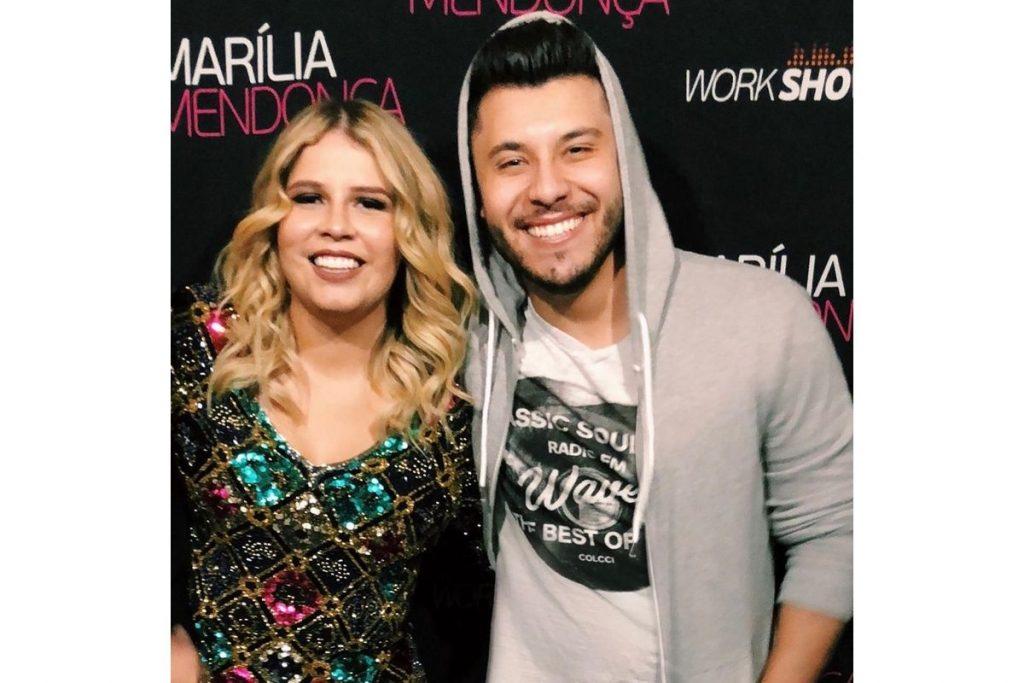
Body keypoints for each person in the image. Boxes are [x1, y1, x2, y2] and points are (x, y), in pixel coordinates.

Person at [456, 13, 853, 682]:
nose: (547, 188)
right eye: (512, 161)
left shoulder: (760, 318)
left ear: (624, 159)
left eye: (577, 149)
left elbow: (837, 526)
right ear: (478, 188)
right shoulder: (464, 346)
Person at [171, 98, 487, 682]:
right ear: (275, 218)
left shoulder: (449, 409)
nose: (336, 225)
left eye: (370, 203)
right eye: (309, 197)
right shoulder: (198, 350)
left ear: (408, 231)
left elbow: (487, 603)